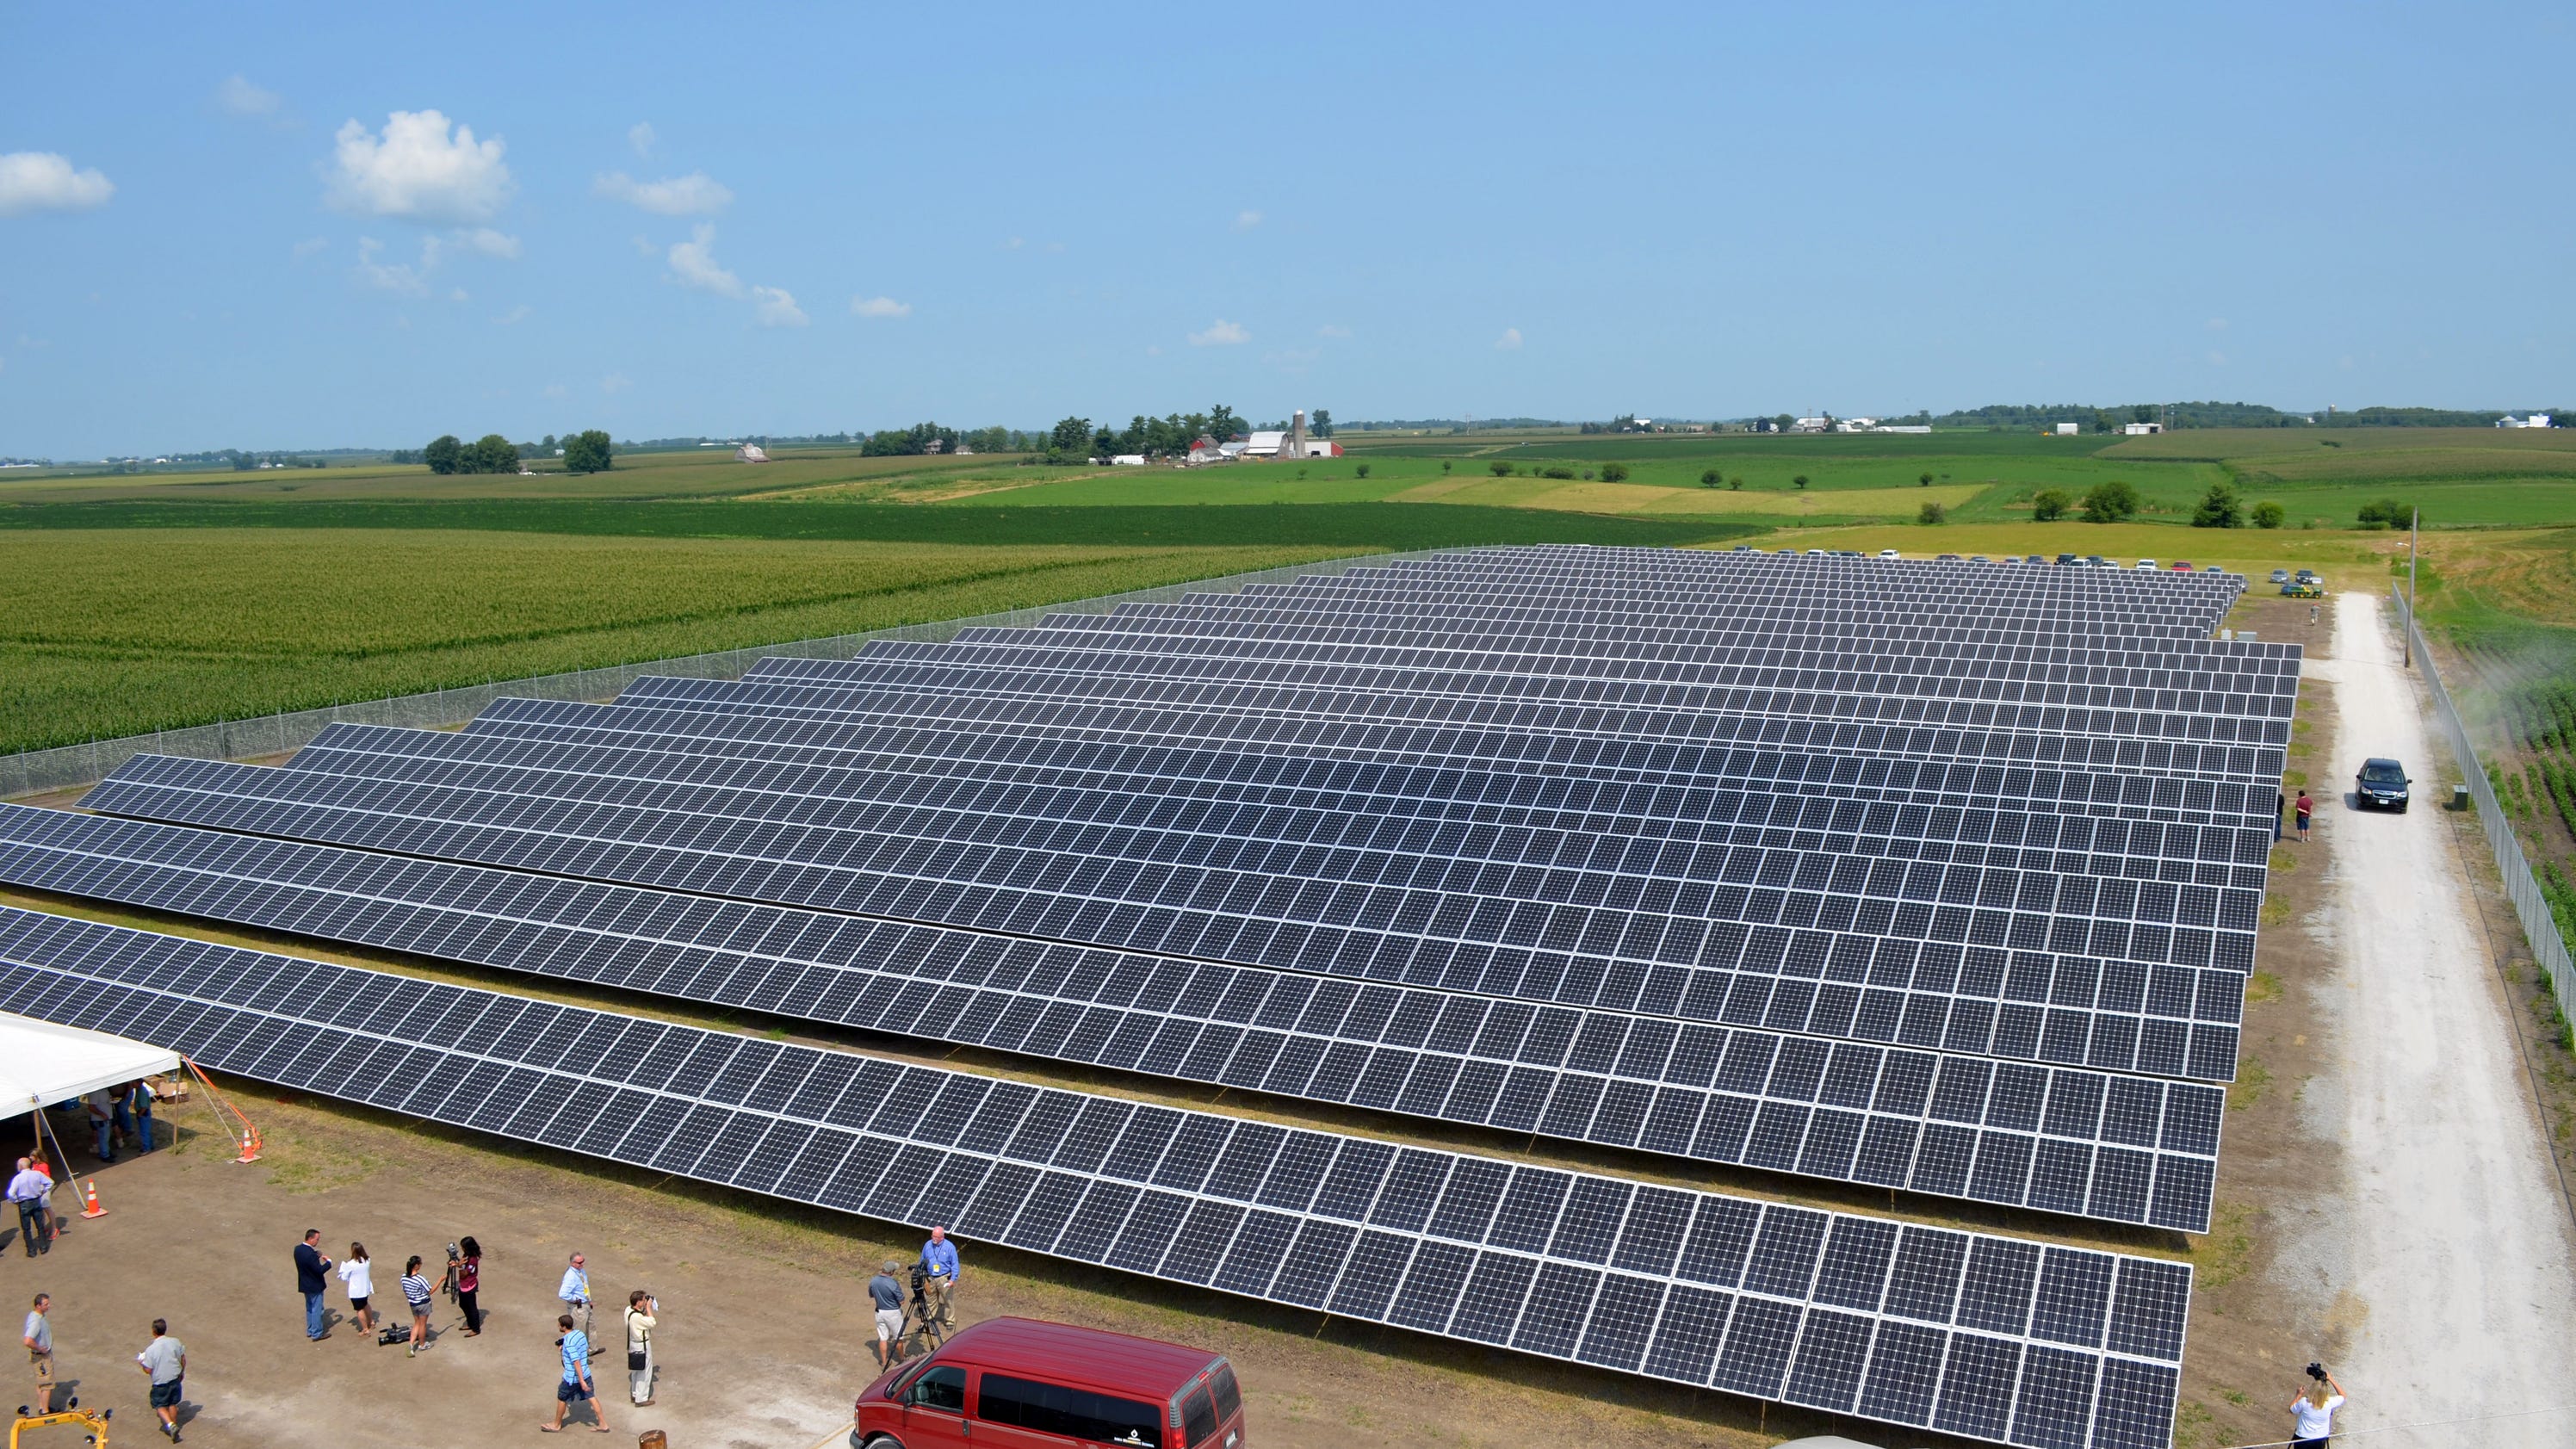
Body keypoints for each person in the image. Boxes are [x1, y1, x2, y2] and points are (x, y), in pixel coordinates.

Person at [542, 1312, 610, 1434]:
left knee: (562, 1398)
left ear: (563, 1327)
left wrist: (581, 1381)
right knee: (591, 1397)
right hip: (586, 1373)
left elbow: (576, 1361)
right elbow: (581, 1349)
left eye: (559, 1325)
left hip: (572, 1378)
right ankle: (603, 1424)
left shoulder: (568, 1342)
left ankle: (556, 1424)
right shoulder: (579, 1334)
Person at [136, 1316, 185, 1442]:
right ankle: (173, 1427)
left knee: (159, 1405)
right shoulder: (175, 1342)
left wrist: (141, 1362)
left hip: (160, 1383)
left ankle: (171, 1426)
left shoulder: (150, 1350)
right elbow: (183, 1359)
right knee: (173, 1403)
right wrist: (182, 1372)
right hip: (175, 1379)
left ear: (153, 1331)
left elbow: (148, 1370)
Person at [2291, 1366, 2346, 1446]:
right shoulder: (2329, 1403)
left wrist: (2298, 1395)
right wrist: (2331, 1379)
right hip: (2320, 1439)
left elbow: (2292, 1409)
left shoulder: (2304, 1402)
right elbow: (2343, 1396)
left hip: (2302, 1438)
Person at [294, 1229, 334, 1341]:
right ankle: (317, 1333)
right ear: (311, 1239)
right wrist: (329, 1262)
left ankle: (310, 1330)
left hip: (305, 1284)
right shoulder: (310, 1255)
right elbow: (319, 1270)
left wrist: (316, 1255)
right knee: (317, 1310)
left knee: (309, 1308)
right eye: (317, 1239)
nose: (317, 1241)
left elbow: (306, 1261)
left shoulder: (298, 1249)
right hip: (315, 1286)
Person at [920, 1227, 960, 1334]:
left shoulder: (950, 1247)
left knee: (948, 1300)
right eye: (933, 1236)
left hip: (944, 1278)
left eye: (936, 1237)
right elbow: (922, 1259)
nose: (934, 1238)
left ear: (942, 1237)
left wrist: (953, 1279)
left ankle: (950, 1320)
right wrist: (921, 1273)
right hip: (930, 1277)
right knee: (930, 1299)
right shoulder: (927, 1245)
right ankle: (928, 1319)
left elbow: (955, 1264)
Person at [8, 1157, 50, 1258]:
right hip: (36, 1201)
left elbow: (10, 1193)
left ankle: (31, 1251)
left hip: (24, 1204)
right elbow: (50, 1182)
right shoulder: (37, 1174)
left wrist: (16, 1201)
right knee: (40, 1225)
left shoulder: (17, 1178)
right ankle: (43, 1247)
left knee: (26, 1228)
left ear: (21, 1166)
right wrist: (43, 1191)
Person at [622, 1290, 658, 1407]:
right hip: (642, 1344)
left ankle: (634, 1393)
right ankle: (641, 1398)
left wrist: (644, 1305)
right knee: (645, 1372)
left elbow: (637, 1312)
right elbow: (652, 1322)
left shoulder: (628, 1311)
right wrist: (648, 1308)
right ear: (638, 1302)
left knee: (636, 1370)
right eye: (643, 1300)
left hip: (632, 1344)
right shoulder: (637, 1317)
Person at [868, 1260, 905, 1370]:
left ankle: (884, 1362)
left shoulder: (874, 1280)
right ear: (892, 1272)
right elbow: (902, 1301)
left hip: (879, 1312)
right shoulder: (893, 1283)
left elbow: (871, 1295)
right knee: (898, 1337)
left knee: (883, 1338)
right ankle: (902, 1359)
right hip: (893, 1313)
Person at [337, 1242, 376, 1338]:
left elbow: (344, 1277)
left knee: (359, 1309)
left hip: (356, 1291)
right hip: (365, 1288)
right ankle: (371, 1322)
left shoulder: (351, 1264)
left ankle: (365, 1329)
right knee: (365, 1304)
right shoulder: (367, 1260)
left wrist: (342, 1271)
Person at [22, 1292, 53, 1415]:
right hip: (42, 1357)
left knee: (40, 1382)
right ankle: (45, 1412)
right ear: (38, 1306)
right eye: (46, 1304)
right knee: (47, 1384)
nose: (49, 1306)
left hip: (39, 1356)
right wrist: (40, 1348)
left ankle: (42, 1407)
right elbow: (28, 1341)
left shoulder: (37, 1316)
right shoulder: (36, 1321)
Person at [558, 1253, 594, 1351]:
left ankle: (592, 1349)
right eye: (580, 1262)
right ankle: (580, 1354)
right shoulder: (570, 1276)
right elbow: (563, 1293)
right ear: (573, 1263)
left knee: (590, 1327)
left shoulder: (581, 1271)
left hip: (586, 1303)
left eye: (583, 1261)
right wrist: (576, 1300)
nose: (582, 1264)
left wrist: (589, 1300)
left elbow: (585, 1287)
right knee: (580, 1331)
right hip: (578, 1307)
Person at [450, 1235, 484, 1336]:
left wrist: (458, 1265)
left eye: (463, 1247)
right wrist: (458, 1264)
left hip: (470, 1286)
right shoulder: (466, 1255)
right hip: (463, 1285)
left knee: (472, 1307)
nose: (462, 1249)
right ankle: (470, 1323)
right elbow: (462, 1267)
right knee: (463, 1305)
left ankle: (476, 1328)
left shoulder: (473, 1259)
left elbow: (464, 1273)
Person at [400, 1255, 433, 1357]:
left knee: (417, 1324)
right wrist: (440, 1281)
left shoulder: (404, 1277)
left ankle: (411, 1344)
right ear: (416, 1266)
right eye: (420, 1263)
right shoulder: (420, 1278)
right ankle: (422, 1344)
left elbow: (405, 1291)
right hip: (423, 1303)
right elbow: (430, 1291)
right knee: (422, 1325)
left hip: (413, 1304)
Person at [86, 1091, 116, 1163]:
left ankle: (107, 1151)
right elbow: (91, 1107)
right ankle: (105, 1155)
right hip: (100, 1119)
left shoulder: (105, 1090)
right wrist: (102, 1114)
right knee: (103, 1137)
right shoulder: (94, 1093)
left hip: (106, 1118)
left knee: (106, 1136)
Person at [128, 1081, 158, 1154]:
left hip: (143, 1113)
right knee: (146, 1131)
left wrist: (140, 1114)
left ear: (138, 1083)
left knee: (144, 1132)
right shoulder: (139, 1090)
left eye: (134, 1083)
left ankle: (146, 1148)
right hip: (142, 1112)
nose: (132, 1084)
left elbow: (144, 1106)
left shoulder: (142, 1092)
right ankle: (150, 1145)